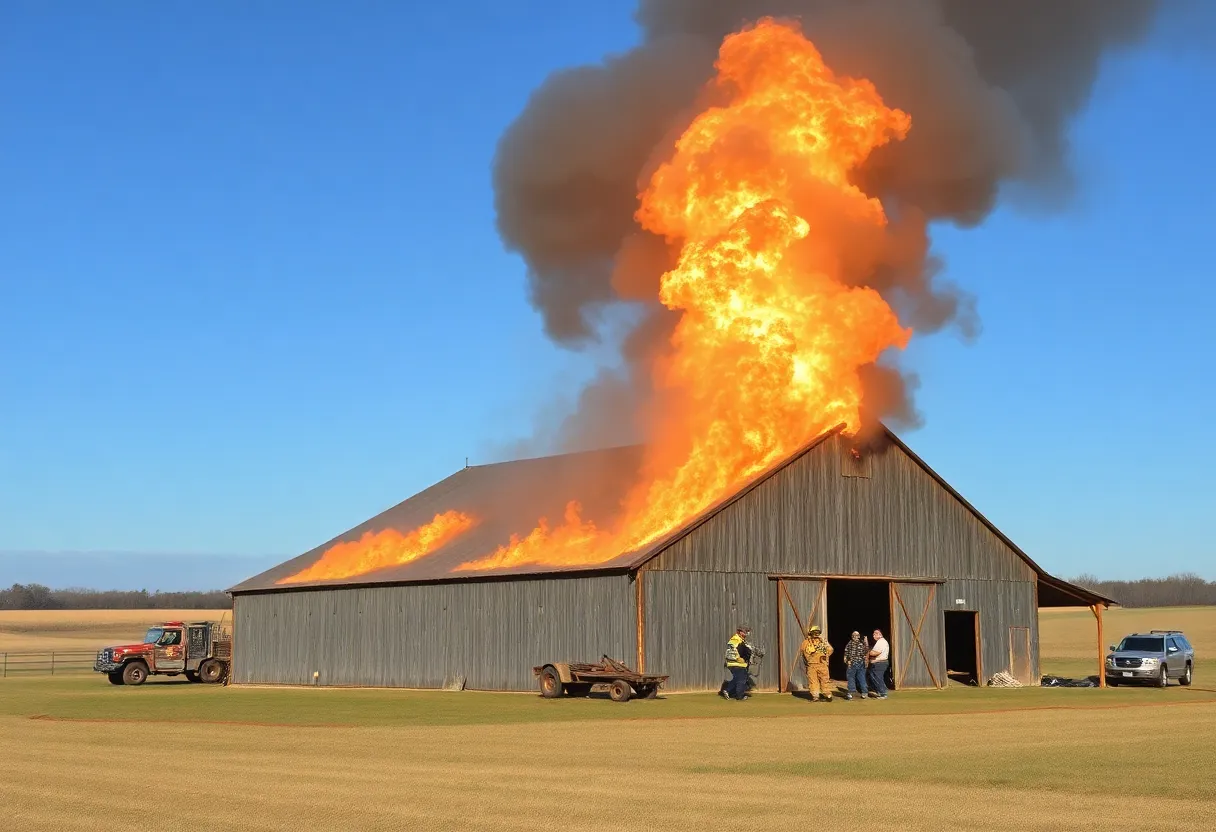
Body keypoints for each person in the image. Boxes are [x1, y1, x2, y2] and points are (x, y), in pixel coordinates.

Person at [801, 624, 834, 702]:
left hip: (817, 664)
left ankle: (822, 695)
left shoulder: (820, 642)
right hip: (816, 664)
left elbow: (804, 652)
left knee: (819, 680)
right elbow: (830, 650)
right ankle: (824, 695)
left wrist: (824, 656)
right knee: (818, 680)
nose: (816, 634)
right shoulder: (810, 642)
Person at [721, 624, 753, 700]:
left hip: (731, 663)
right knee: (742, 679)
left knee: (737, 678)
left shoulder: (735, 640)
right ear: (739, 632)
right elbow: (744, 651)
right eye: (745, 632)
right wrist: (749, 651)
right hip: (737, 663)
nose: (746, 633)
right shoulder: (738, 641)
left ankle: (728, 690)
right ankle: (739, 696)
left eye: (747, 632)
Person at [842, 631, 869, 700]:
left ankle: (851, 692)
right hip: (860, 662)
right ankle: (864, 692)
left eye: (856, 635)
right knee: (861, 677)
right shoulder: (862, 643)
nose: (855, 637)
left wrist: (847, 661)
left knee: (851, 677)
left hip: (853, 663)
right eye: (854, 635)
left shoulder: (850, 643)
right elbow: (866, 651)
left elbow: (846, 653)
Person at [868, 628, 890, 699]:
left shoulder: (881, 642)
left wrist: (869, 652)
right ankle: (879, 691)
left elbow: (876, 652)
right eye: (873, 634)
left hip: (880, 663)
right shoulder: (880, 642)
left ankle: (883, 693)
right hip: (879, 662)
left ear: (880, 635)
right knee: (873, 676)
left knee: (878, 678)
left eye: (876, 633)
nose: (874, 635)